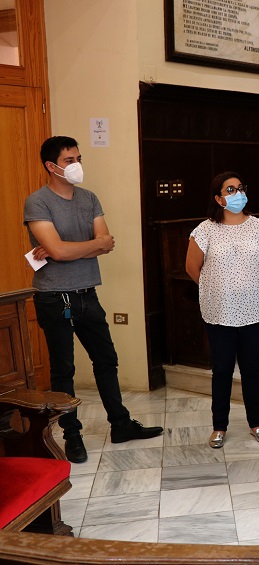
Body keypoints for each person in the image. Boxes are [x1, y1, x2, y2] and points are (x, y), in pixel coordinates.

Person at [24, 136, 164, 464]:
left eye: (78, 158)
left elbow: (106, 242)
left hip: (88, 292)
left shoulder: (89, 198)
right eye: (69, 160)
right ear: (51, 166)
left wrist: (65, 249)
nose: (77, 165)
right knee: (64, 370)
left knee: (106, 359)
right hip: (54, 297)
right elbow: (63, 250)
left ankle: (121, 425)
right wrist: (79, 247)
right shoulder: (37, 202)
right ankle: (72, 436)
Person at [185, 172, 259, 449]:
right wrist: (217, 287)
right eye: (230, 190)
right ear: (218, 198)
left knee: (251, 369)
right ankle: (219, 427)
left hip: (253, 309)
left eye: (240, 188)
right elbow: (192, 268)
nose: (238, 193)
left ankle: (256, 423)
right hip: (219, 311)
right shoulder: (204, 230)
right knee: (222, 369)